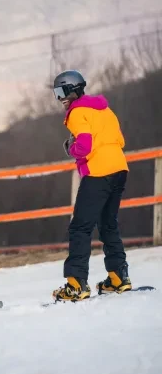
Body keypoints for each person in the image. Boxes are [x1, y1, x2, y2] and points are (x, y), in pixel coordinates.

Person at [52, 70, 132, 302]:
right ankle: (118, 277)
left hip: (99, 172)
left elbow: (84, 146)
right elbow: (121, 141)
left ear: (72, 90)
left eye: (61, 92)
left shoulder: (76, 113)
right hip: (119, 169)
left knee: (80, 227)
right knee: (108, 223)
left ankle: (76, 285)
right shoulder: (104, 109)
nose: (60, 99)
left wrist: (71, 149)